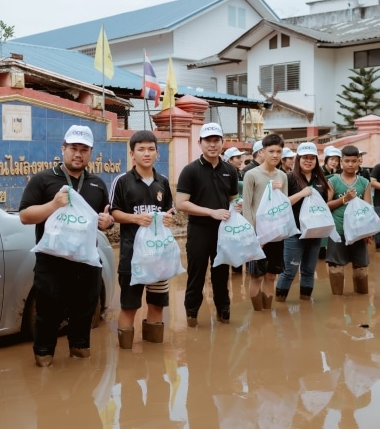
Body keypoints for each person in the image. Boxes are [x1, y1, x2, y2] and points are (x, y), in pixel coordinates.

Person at [19, 125, 115, 367]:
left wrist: (107, 222)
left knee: (83, 319)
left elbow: (104, 218)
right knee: (47, 317)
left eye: (84, 149)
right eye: (73, 148)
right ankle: (44, 363)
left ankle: (80, 365)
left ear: (90, 152)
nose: (78, 154)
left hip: (86, 266)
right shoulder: (43, 179)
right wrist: (53, 205)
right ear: (63, 149)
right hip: (51, 265)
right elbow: (25, 216)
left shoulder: (97, 184)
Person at [109, 130, 175, 349]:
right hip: (131, 257)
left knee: (157, 305)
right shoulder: (121, 181)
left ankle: (153, 356)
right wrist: (135, 218)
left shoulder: (163, 182)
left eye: (151, 149)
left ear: (157, 153)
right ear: (132, 153)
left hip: (158, 257)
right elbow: (113, 213)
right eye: (141, 149)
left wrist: (169, 219)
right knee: (129, 307)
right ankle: (127, 362)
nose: (146, 154)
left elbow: (170, 211)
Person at [176, 122, 240, 327]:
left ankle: (224, 313)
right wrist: (211, 212)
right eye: (208, 141)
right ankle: (192, 316)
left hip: (223, 232)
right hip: (199, 230)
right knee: (196, 275)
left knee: (221, 274)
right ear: (200, 143)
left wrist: (235, 208)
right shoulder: (190, 171)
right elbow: (181, 203)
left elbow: (232, 198)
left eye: (216, 140)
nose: (212, 145)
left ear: (222, 143)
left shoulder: (230, 170)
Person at [275, 142, 331, 302]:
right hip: (294, 232)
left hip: (315, 232)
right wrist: (301, 194)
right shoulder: (289, 178)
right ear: (298, 159)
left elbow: (324, 204)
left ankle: (305, 302)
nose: (308, 161)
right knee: (289, 271)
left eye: (312, 158)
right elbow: (282, 204)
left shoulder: (320, 180)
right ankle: (280, 303)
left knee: (308, 270)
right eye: (305, 157)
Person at [242, 133, 288, 311]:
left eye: (278, 151)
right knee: (256, 276)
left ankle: (267, 313)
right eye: (271, 151)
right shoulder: (251, 175)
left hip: (276, 234)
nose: (275, 155)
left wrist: (279, 191)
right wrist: (254, 236)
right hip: (257, 236)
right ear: (263, 152)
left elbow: (282, 205)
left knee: (271, 276)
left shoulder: (282, 176)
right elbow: (247, 207)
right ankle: (257, 313)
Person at [325, 145, 372, 295]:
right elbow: (326, 206)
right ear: (341, 162)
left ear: (359, 161)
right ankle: (337, 305)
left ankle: (361, 305)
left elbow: (368, 209)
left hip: (358, 232)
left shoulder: (364, 183)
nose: (350, 164)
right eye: (347, 161)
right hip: (338, 230)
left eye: (354, 161)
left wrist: (368, 232)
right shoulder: (332, 181)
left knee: (361, 267)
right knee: (336, 267)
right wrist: (345, 198)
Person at [223, 146, 247, 274]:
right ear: (229, 160)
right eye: (237, 157)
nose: (240, 159)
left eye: (241, 157)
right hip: (229, 212)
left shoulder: (241, 173)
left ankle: (237, 270)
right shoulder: (225, 175)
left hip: (241, 212)